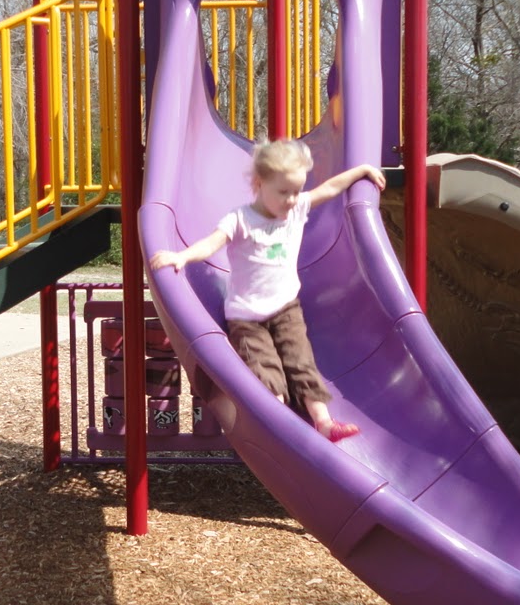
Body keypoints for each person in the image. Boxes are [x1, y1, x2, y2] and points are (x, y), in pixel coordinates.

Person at [150, 138, 386, 442]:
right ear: (260, 184)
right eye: (284, 192)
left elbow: (328, 189)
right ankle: (280, 424)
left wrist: (362, 170)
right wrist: (181, 256)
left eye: (297, 191)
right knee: (265, 370)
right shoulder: (240, 219)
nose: (292, 199)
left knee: (301, 362)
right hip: (247, 318)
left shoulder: (297, 207)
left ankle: (325, 423)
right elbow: (212, 243)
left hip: (287, 308)